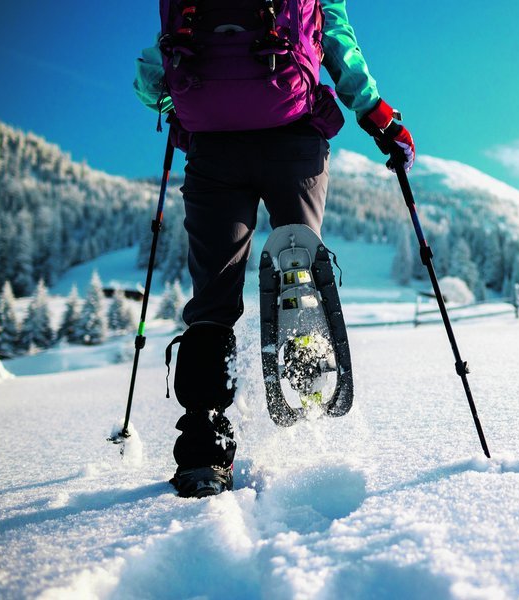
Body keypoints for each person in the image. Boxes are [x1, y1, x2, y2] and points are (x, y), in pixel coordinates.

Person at [134, 0, 414, 498]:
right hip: (294, 138)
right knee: (299, 270)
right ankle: (307, 392)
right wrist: (377, 115)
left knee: (212, 301)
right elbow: (336, 38)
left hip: (213, 147)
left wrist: (186, 101)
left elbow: (152, 75)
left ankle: (203, 447)